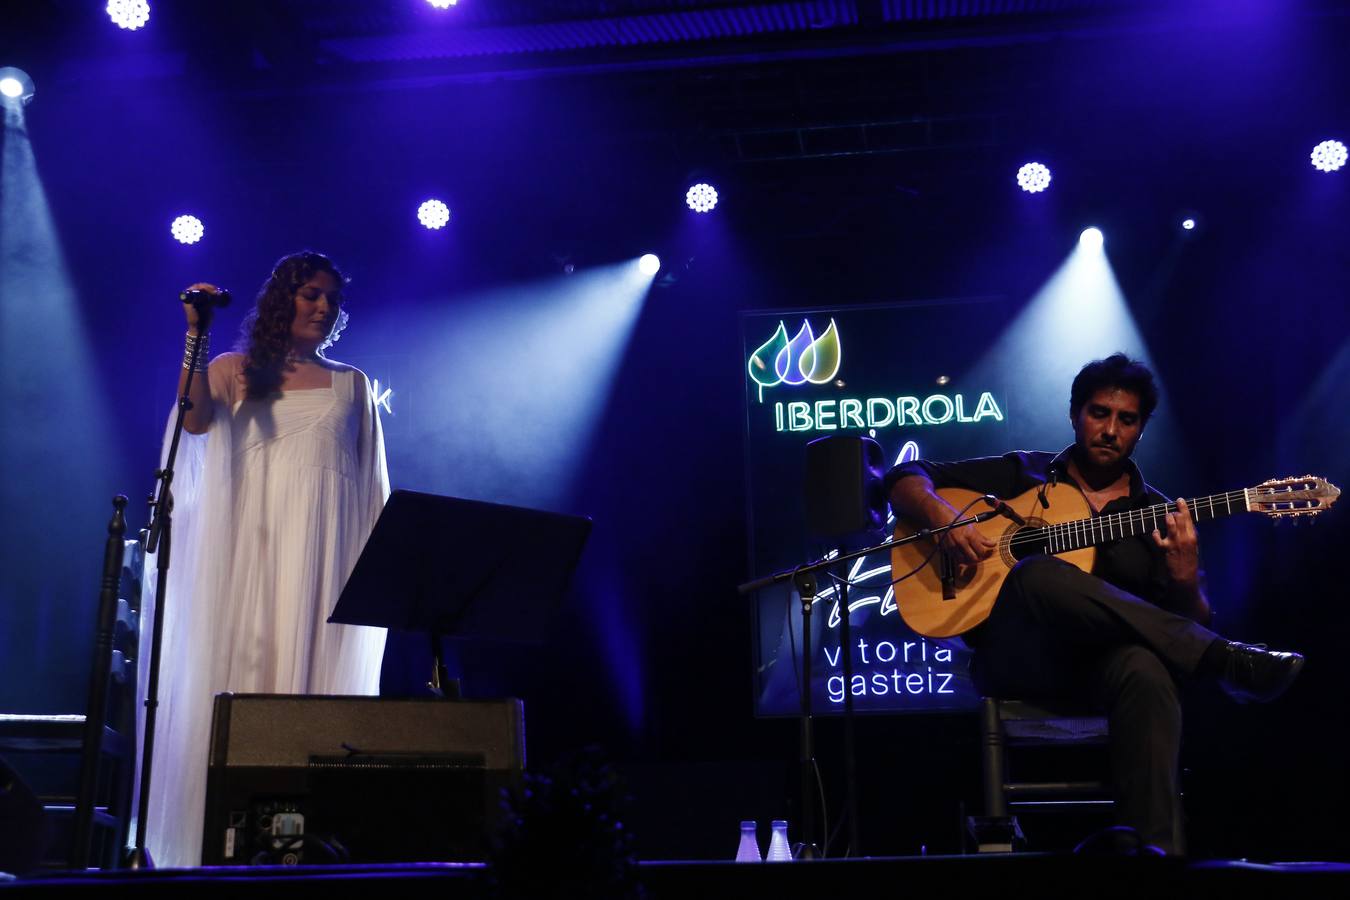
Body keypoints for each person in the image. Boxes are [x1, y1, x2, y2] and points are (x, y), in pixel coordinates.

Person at [886, 353, 1304, 854]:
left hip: (1100, 670)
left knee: (1147, 668)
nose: (1110, 429)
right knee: (1038, 571)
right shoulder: (1026, 474)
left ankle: (1156, 859)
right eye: (1099, 413)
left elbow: (1179, 625)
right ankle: (1222, 659)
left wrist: (1186, 577)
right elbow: (903, 477)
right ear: (1074, 414)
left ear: (1141, 430)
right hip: (1019, 657)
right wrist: (946, 519)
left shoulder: (1156, 513)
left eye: (1126, 420)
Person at [140, 251, 389, 866]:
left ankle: (309, 854)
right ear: (284, 299)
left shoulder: (351, 384)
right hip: (253, 557)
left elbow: (373, 494)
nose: (322, 306)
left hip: (324, 566)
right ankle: (228, 851)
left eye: (331, 297)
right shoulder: (234, 369)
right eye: (309, 293)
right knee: (251, 681)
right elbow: (193, 424)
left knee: (312, 695)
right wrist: (196, 334)